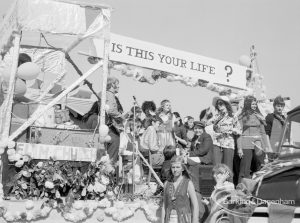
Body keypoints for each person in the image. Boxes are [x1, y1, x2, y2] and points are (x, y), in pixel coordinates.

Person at [237, 95, 270, 183]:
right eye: (252, 104)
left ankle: (258, 187)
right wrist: (239, 148)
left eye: (255, 104)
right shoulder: (242, 116)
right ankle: (241, 188)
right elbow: (239, 132)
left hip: (258, 143)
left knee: (259, 167)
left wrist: (266, 147)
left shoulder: (260, 116)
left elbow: (263, 132)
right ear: (247, 104)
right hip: (246, 143)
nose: (254, 106)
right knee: (245, 168)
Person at [161, 156, 199, 223]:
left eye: (178, 167)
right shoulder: (166, 183)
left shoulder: (188, 183)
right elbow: (164, 205)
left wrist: (195, 221)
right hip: (169, 219)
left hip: (184, 219)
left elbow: (195, 205)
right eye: (173, 167)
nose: (175, 170)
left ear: (183, 168)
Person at [210, 95, 241, 172]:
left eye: (221, 103)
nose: (218, 105)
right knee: (216, 168)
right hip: (217, 143)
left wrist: (231, 130)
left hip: (228, 143)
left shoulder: (233, 116)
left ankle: (229, 184)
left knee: (228, 168)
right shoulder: (216, 116)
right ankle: (218, 184)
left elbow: (239, 131)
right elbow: (206, 123)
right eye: (217, 104)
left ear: (226, 104)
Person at [102, 76, 124, 164]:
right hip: (110, 128)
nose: (119, 87)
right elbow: (110, 110)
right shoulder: (110, 95)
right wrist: (122, 117)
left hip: (107, 128)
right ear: (112, 85)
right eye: (117, 84)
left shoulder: (107, 94)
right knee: (112, 156)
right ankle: (108, 172)